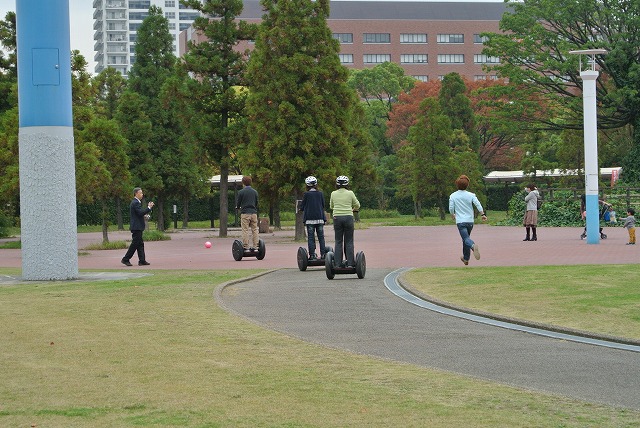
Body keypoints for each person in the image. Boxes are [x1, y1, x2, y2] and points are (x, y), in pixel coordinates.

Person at [449, 175, 486, 265]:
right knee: (465, 239)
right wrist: (482, 214)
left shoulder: (453, 196)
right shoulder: (471, 195)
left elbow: (451, 207)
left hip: (460, 221)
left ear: (457, 184)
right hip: (470, 221)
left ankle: (473, 246)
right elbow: (477, 204)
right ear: (467, 185)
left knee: (466, 239)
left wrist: (452, 214)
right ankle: (466, 259)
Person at [329, 175, 360, 268]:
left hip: (337, 218)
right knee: (349, 241)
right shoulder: (350, 193)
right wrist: (353, 209)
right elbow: (357, 205)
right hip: (348, 217)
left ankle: (338, 264)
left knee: (338, 241)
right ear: (347, 184)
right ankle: (350, 263)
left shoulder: (333, 193)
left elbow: (331, 206)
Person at [121, 187, 154, 266]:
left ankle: (142, 260)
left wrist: (144, 215)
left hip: (137, 226)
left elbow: (139, 213)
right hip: (136, 227)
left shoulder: (136, 202)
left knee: (140, 244)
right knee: (135, 243)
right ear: (136, 193)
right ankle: (125, 259)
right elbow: (140, 212)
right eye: (141, 193)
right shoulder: (135, 202)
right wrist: (149, 207)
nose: (142, 194)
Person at [300, 176, 327, 260]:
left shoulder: (306, 194)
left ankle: (312, 255)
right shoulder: (320, 193)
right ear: (316, 184)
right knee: (321, 237)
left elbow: (302, 206)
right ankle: (323, 254)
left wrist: (302, 208)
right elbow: (323, 205)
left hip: (309, 219)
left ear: (307, 185)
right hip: (319, 218)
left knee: (311, 238)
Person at [236, 175, 259, 251]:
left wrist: (238, 207)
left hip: (245, 213)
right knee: (254, 230)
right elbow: (256, 202)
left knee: (245, 230)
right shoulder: (255, 192)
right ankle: (256, 246)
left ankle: (246, 247)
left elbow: (238, 203)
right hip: (253, 213)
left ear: (243, 183)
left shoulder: (241, 192)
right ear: (251, 182)